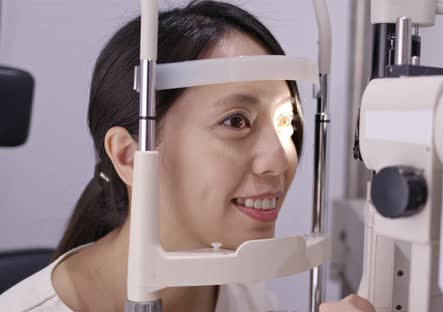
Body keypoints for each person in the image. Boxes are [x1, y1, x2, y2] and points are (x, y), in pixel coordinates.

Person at [0, 1, 375, 311]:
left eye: (286, 122)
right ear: (129, 156)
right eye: (236, 121)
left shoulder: (246, 299)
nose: (279, 160)